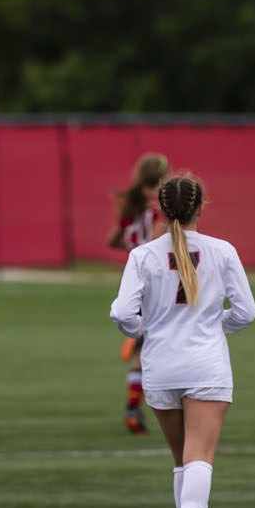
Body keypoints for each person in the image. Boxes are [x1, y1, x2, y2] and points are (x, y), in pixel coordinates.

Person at [110, 172, 255, 508]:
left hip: (161, 365)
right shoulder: (222, 251)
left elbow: (122, 314)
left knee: (183, 463)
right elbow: (246, 312)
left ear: (160, 208)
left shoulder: (142, 255)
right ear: (200, 206)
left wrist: (149, 328)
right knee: (200, 461)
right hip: (206, 365)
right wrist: (214, 327)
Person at [107, 152, 170, 434]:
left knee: (148, 350)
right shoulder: (161, 208)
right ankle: (135, 407)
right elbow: (156, 245)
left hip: (131, 281)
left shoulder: (132, 206)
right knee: (153, 353)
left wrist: (132, 246)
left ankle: (135, 406)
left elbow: (114, 240)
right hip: (154, 284)